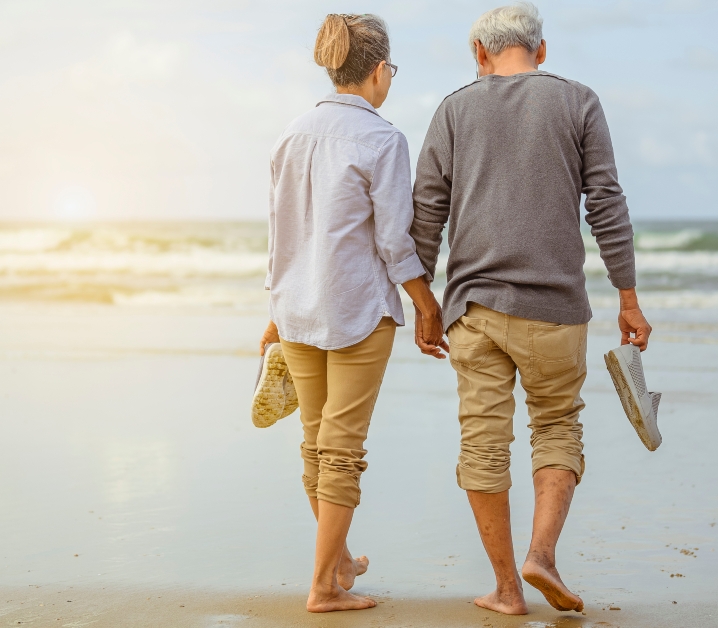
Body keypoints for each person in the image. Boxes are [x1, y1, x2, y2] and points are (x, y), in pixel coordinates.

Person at [409, 2, 653, 616]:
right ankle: (541, 554)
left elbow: (426, 214)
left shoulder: (454, 109)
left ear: (480, 56)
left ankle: (507, 589)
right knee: (557, 426)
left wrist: (424, 304)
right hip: (556, 310)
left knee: (484, 444)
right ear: (541, 52)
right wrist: (627, 295)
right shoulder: (578, 101)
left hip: (475, 309)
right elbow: (606, 203)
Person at [259, 12, 447, 614]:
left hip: (297, 310)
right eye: (391, 69)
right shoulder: (383, 139)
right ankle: (321, 588)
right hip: (358, 311)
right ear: (378, 71)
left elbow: (279, 234)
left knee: (316, 445)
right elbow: (395, 241)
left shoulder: (291, 134)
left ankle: (336, 564)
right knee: (341, 449)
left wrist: (273, 310)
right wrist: (425, 303)